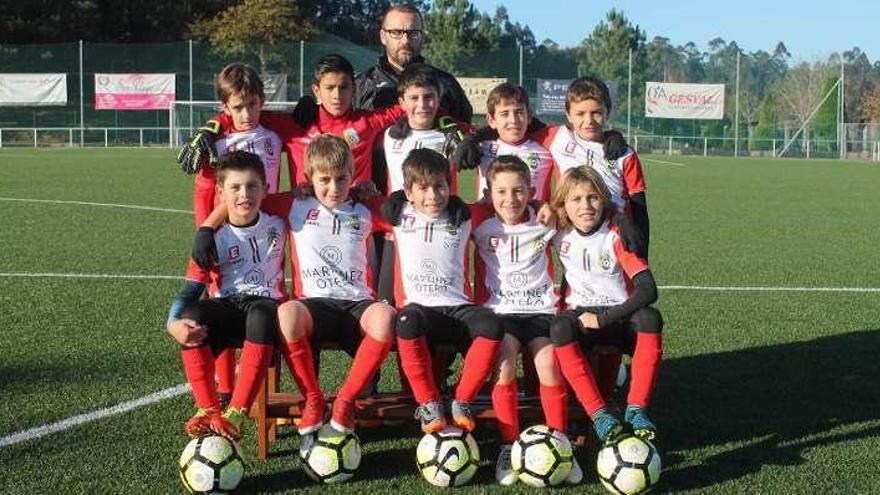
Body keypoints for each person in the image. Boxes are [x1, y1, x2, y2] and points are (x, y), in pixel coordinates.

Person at [177, 63, 284, 407]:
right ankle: (223, 390)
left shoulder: (273, 135)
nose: (247, 113)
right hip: (223, 229)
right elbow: (205, 190)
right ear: (225, 108)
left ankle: (256, 388)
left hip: (265, 227)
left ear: (262, 101)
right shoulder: (216, 143)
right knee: (217, 293)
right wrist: (205, 229)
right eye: (238, 107)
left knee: (264, 297)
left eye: (253, 104)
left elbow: (304, 125)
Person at [470, 155, 581, 485]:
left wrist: (549, 205)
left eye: (518, 191)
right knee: (503, 363)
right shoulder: (478, 220)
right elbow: (437, 204)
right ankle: (507, 445)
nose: (510, 199)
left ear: (531, 191)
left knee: (549, 365)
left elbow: (580, 207)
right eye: (501, 192)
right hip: (500, 314)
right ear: (489, 193)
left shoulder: (545, 219)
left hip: (540, 313)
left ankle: (562, 445)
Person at [166, 150, 286, 442]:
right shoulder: (212, 240)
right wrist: (172, 323)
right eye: (235, 187)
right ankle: (206, 408)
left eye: (252, 186)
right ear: (221, 192)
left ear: (266, 188)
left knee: (260, 313)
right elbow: (189, 291)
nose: (244, 194)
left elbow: (321, 193)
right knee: (194, 315)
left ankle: (236, 412)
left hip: (267, 307)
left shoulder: (279, 218)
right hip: (228, 306)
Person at [382, 148, 503, 434]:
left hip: (458, 309)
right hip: (420, 311)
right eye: (423, 188)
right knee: (405, 321)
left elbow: (507, 203)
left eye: (440, 186)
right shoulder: (400, 215)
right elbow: (355, 204)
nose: (433, 195)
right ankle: (429, 403)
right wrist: (390, 198)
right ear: (409, 192)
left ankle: (462, 400)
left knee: (492, 324)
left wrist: (541, 206)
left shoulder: (464, 215)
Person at [549, 167, 663, 445]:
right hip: (579, 316)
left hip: (617, 317)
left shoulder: (616, 235)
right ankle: (599, 415)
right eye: (576, 199)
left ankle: (636, 410)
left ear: (604, 201)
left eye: (593, 198)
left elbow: (648, 290)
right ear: (563, 204)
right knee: (560, 327)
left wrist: (604, 319)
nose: (586, 206)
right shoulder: (557, 234)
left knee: (650, 318)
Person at [178, 54, 403, 189]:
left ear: (354, 89)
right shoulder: (295, 124)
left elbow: (412, 106)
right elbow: (244, 111)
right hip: (306, 222)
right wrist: (210, 129)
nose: (337, 95)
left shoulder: (369, 122)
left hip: (353, 220)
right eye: (329, 88)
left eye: (344, 87)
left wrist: (440, 119)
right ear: (316, 90)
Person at [377, 63, 470, 304]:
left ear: (439, 99)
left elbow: (496, 131)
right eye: (414, 98)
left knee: (444, 301)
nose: (422, 105)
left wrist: (471, 136)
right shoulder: (390, 136)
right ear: (401, 102)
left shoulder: (453, 136)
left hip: (444, 228)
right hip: (400, 231)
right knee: (389, 305)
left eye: (429, 97)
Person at [355, 4, 472, 123]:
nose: (405, 41)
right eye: (396, 32)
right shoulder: (360, 86)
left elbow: (466, 132)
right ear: (383, 37)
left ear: (422, 38)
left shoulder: (446, 84)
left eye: (413, 33)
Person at [473, 82, 555, 202]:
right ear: (491, 120)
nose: (513, 120)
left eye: (519, 112)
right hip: (487, 220)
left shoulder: (548, 147)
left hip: (534, 220)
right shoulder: (480, 146)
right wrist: (471, 139)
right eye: (504, 114)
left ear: (529, 116)